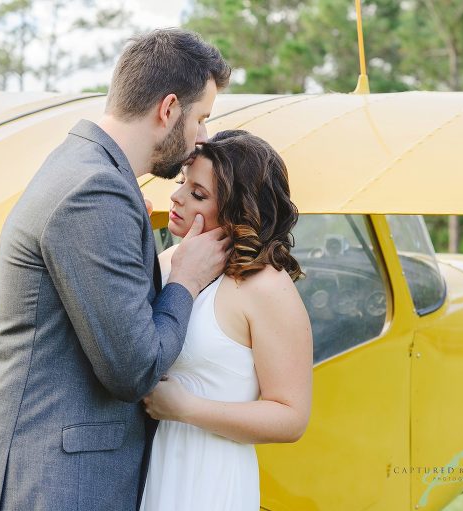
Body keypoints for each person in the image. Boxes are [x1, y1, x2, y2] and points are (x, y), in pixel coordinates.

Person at [0, 29, 231, 511]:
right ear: (167, 110)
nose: (202, 137)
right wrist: (186, 278)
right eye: (200, 118)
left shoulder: (85, 169)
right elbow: (134, 369)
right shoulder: (94, 191)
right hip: (49, 483)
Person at [139, 130, 313, 511]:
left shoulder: (266, 287)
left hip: (212, 479)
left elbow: (291, 417)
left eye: (198, 194)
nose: (177, 197)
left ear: (238, 210)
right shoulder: (169, 264)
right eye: (184, 183)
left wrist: (187, 409)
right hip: (151, 470)